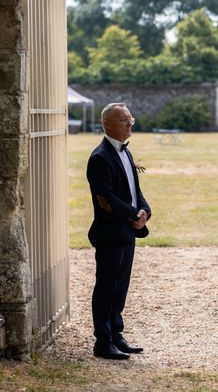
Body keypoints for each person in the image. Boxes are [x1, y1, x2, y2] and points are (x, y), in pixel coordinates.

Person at [87, 103, 151, 360]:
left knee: (120, 287)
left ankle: (116, 334)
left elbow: (135, 192)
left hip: (128, 231)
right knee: (106, 287)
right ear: (107, 124)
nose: (129, 124)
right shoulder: (100, 157)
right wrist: (133, 214)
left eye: (130, 119)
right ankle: (102, 341)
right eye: (124, 120)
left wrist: (145, 210)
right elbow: (107, 199)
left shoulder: (125, 153)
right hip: (110, 233)